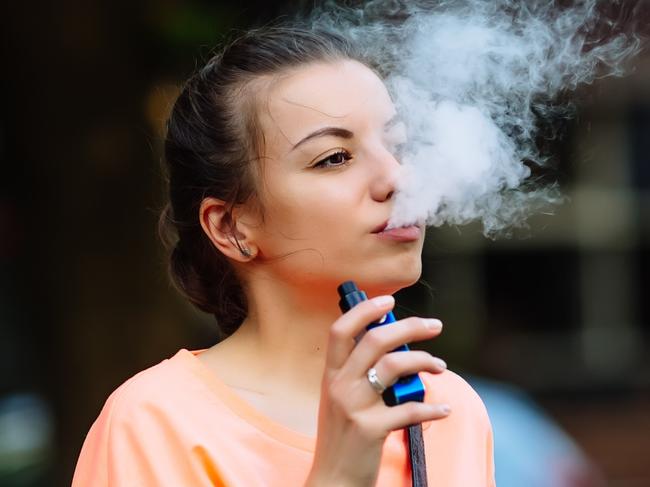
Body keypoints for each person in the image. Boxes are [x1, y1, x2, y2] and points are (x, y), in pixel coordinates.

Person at [72, 25, 495, 486]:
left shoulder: (449, 410)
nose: (397, 178)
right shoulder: (155, 423)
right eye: (334, 157)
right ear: (230, 227)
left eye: (397, 146)